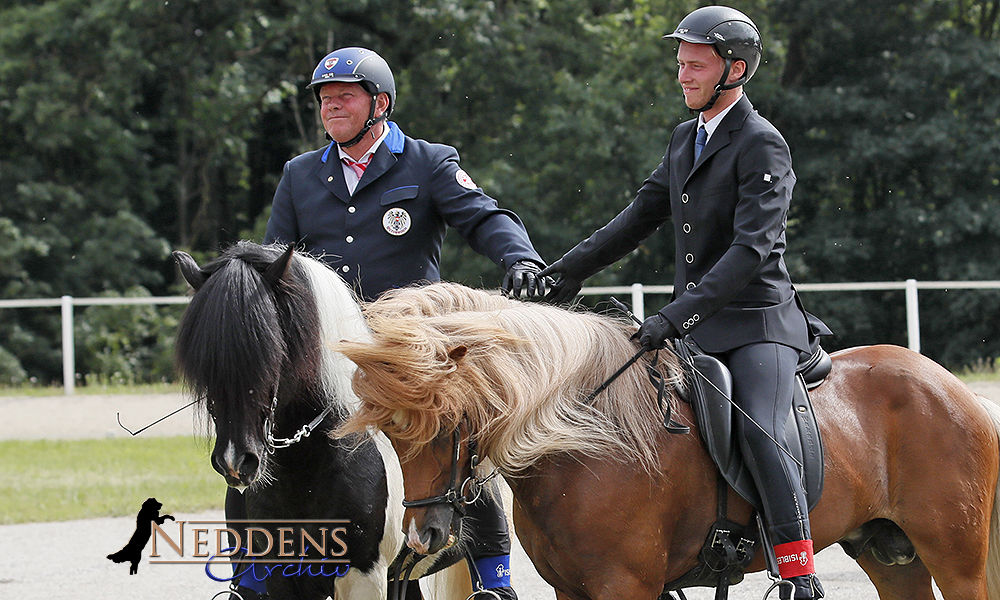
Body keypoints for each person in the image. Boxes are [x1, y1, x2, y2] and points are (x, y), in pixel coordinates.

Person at [224, 47, 545, 600]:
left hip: (405, 345)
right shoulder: (300, 174)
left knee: (464, 444)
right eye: (325, 100)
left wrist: (520, 259)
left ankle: (495, 584)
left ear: (381, 104)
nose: (331, 108)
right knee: (249, 430)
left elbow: (484, 217)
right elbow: (274, 258)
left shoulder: (428, 162)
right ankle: (245, 579)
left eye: (345, 96)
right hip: (326, 348)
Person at [539, 7, 829, 599]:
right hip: (694, 323)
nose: (683, 75)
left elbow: (751, 251)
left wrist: (676, 315)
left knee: (760, 427)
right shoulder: (684, 139)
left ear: (735, 70)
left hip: (756, 322)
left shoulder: (762, 143)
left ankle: (798, 570)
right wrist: (562, 274)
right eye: (680, 63)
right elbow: (637, 219)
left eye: (695, 65)